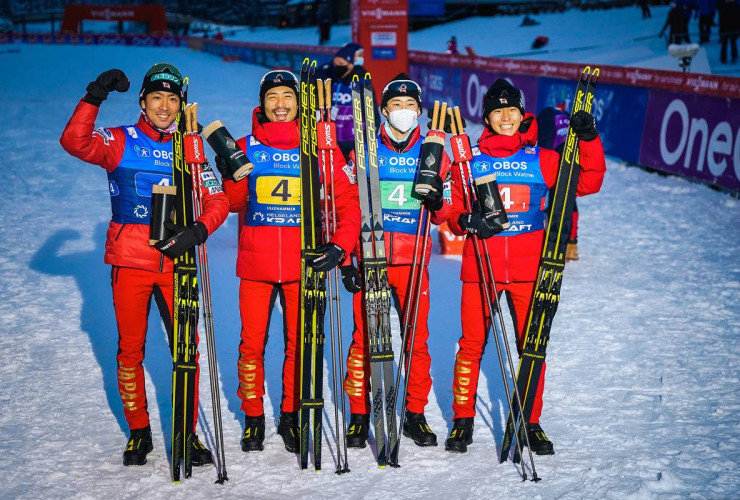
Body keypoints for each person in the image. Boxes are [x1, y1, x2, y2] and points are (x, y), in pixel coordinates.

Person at [59, 63, 230, 466]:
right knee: (129, 351)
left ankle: (187, 436)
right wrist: (94, 95)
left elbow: (219, 199)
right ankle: (139, 432)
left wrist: (199, 230)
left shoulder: (191, 147)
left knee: (186, 352)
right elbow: (74, 141)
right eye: (157, 98)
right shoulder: (120, 139)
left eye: (173, 99)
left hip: (178, 265)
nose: (165, 107)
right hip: (131, 261)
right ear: (143, 101)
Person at [444, 79, 606, 455]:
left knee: (531, 347)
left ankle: (530, 422)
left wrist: (590, 140)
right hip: (480, 268)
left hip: (529, 271)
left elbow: (588, 182)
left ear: (522, 115)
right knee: (470, 345)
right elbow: (450, 211)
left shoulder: (542, 158)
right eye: (497, 111)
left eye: (512, 111)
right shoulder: (468, 160)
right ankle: (462, 419)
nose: (505, 117)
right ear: (486, 117)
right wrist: (467, 222)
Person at [216, 70, 361, 454]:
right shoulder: (244, 146)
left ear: (299, 103)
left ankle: (290, 416)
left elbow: (348, 204)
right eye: (272, 97)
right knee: (251, 345)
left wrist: (339, 246)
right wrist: (228, 173)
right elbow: (232, 205)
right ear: (261, 104)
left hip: (305, 266)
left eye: (287, 96)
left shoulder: (320, 148)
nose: (280, 104)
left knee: (300, 346)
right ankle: (252, 419)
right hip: (257, 266)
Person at [340, 74, 452, 449]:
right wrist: (345, 262)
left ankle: (414, 414)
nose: (403, 112)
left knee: (415, 342)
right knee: (364, 342)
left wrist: (439, 202)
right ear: (383, 110)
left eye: (410, 106)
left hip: (414, 263)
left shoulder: (435, 151)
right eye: (395, 105)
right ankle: (359, 415)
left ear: (418, 111)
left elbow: (447, 212)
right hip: (371, 260)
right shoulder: (362, 150)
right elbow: (344, 206)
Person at [320, 42, 379, 160]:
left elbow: (372, 114)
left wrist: (367, 139)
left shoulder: (361, 81)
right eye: (335, 63)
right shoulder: (331, 79)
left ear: (351, 64)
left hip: (353, 140)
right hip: (332, 139)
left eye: (341, 64)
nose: (337, 66)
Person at [537, 104, 579, 261]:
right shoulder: (567, 115)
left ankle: (551, 245)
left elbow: (544, 142)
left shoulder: (546, 114)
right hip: (574, 157)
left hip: (556, 158)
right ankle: (571, 245)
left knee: (552, 202)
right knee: (569, 200)